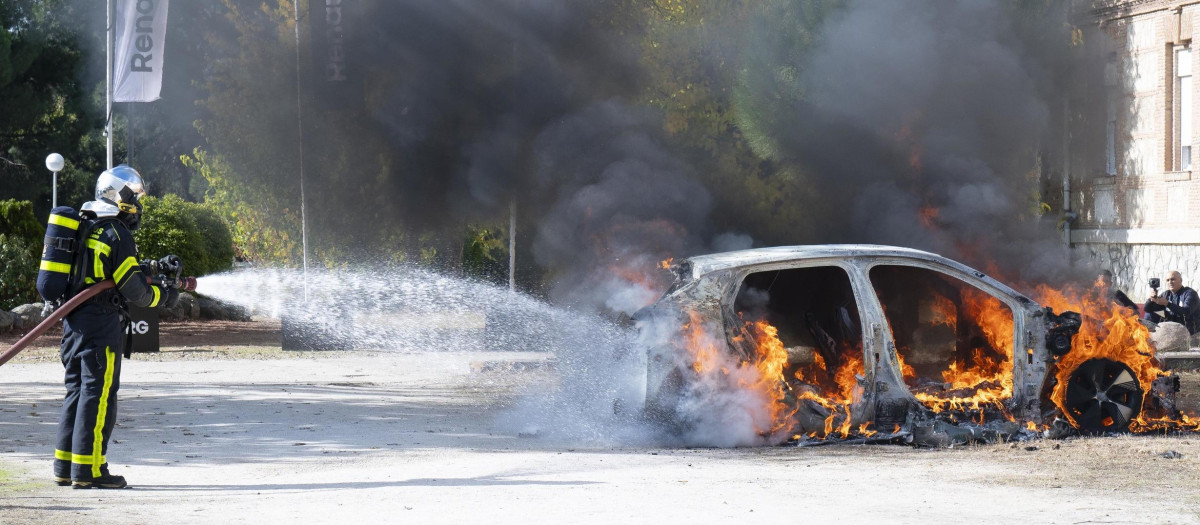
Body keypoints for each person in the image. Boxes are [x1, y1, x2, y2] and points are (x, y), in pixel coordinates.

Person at [52, 165, 178, 489]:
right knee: (99, 394)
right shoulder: (117, 233)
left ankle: (65, 468)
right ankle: (90, 471)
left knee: (77, 391)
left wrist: (150, 267)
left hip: (73, 323)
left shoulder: (87, 225)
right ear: (120, 197)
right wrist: (163, 296)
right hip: (100, 325)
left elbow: (104, 270)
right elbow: (134, 290)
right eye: (134, 198)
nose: (137, 206)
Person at [1143, 270, 1200, 335]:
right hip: (1170, 326)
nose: (1170, 282)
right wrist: (1151, 300)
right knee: (1149, 313)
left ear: (1180, 280)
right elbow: (1147, 309)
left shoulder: (1190, 293)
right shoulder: (1166, 294)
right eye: (1167, 280)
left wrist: (1167, 304)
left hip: (1188, 329)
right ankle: (1146, 336)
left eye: (1173, 279)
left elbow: (1186, 312)